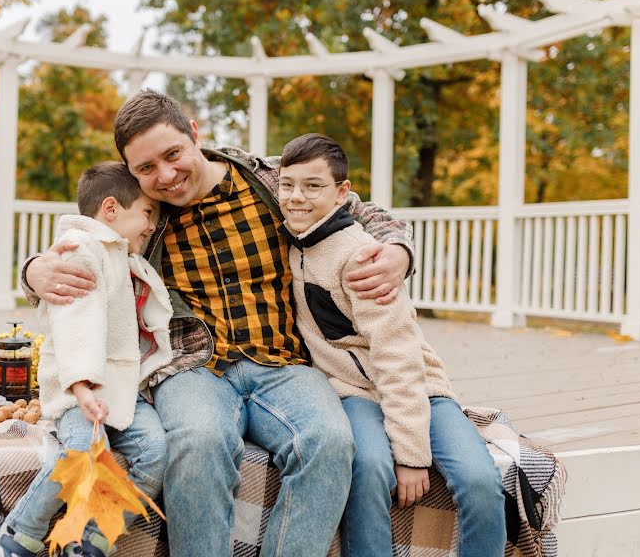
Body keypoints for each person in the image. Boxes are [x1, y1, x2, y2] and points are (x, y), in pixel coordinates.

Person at [21, 90, 416, 556]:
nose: (165, 176)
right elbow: (83, 240)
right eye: (146, 169)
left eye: (173, 155)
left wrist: (398, 251)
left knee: (329, 441)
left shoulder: (268, 180)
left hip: (284, 362)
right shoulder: (147, 211)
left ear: (194, 134)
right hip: (193, 368)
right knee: (198, 442)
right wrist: (33, 270)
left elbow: (364, 213)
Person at [277, 133, 506, 557]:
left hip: (420, 389)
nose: (296, 197)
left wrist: (412, 455)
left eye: (313, 186)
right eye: (287, 185)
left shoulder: (364, 258)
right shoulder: (291, 240)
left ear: (342, 193)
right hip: (353, 393)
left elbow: (397, 358)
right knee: (367, 467)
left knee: (479, 480)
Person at [0, 162, 175, 557]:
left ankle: (93, 539)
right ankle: (19, 533)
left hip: (121, 392)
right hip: (79, 387)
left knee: (158, 452)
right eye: (147, 213)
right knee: (82, 451)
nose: (151, 224)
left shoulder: (121, 253)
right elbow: (75, 321)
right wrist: (83, 387)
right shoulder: (82, 249)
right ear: (111, 209)